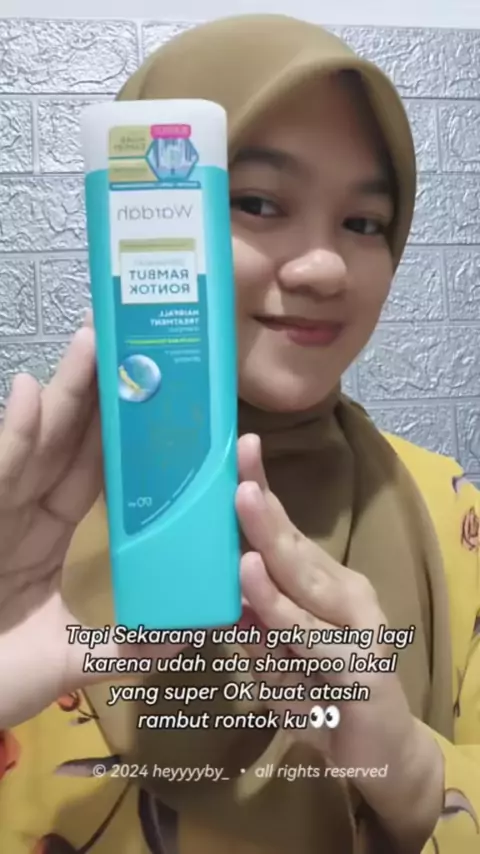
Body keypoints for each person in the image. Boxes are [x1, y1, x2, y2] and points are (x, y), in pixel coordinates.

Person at [0, 13, 478, 854]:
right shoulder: (22, 533)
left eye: (365, 221)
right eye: (257, 203)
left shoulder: (454, 514)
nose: (324, 266)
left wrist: (410, 772)